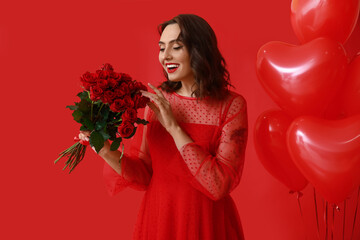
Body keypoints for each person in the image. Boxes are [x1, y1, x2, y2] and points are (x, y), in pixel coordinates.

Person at [79, 14, 248, 240]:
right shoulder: (158, 101)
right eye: (161, 48)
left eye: (176, 47)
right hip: (160, 220)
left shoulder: (231, 106)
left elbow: (218, 185)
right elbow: (146, 175)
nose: (165, 56)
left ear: (200, 50)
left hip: (207, 223)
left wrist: (174, 128)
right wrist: (104, 150)